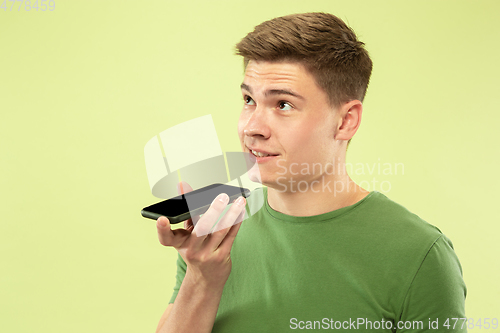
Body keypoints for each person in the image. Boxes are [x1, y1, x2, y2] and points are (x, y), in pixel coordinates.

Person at [154, 12, 467, 333]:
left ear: (346, 121)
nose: (251, 128)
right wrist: (202, 279)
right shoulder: (214, 235)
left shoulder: (419, 255)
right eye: (249, 100)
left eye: (283, 105)